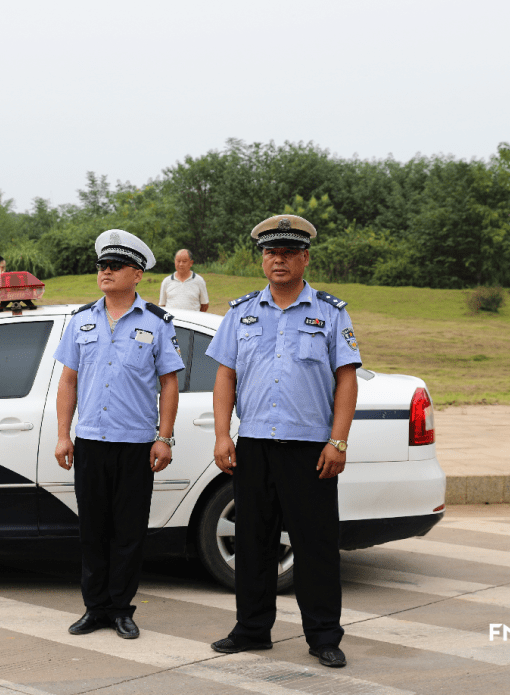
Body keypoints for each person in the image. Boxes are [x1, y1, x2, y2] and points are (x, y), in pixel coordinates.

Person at [205, 214, 360, 668]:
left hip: (310, 449)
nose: (279, 259)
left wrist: (339, 441)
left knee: (315, 546)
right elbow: (225, 376)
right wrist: (221, 434)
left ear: (305, 258)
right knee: (254, 543)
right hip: (254, 444)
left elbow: (346, 379)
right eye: (271, 252)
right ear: (263, 259)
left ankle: (324, 637)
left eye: (289, 252)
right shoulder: (241, 312)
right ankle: (252, 630)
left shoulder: (330, 312)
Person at [53, 229, 184, 640]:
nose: (106, 272)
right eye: (102, 266)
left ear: (137, 274)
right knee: (93, 530)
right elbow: (68, 381)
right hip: (91, 441)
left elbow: (169, 383)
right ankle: (95, 608)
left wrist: (164, 437)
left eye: (115, 266)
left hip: (135, 444)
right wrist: (63, 435)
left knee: (129, 531)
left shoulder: (157, 324)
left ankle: (122, 609)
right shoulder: (81, 321)